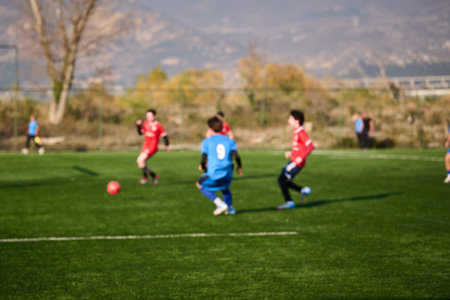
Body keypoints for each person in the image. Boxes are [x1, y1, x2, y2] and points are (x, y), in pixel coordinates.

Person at [196, 116, 242, 215]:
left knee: (199, 184)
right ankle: (230, 208)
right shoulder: (230, 141)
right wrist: (239, 167)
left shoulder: (207, 141)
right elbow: (236, 156)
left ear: (211, 129)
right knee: (224, 188)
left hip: (214, 172)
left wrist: (202, 165)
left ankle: (220, 204)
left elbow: (204, 156)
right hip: (227, 172)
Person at [277, 109, 315, 210]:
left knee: (281, 180)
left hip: (297, 163)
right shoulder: (297, 131)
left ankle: (290, 201)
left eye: (290, 118)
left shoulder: (301, 131)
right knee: (282, 180)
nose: (288, 120)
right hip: (293, 160)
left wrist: (301, 158)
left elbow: (310, 146)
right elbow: (300, 147)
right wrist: (292, 153)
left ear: (297, 120)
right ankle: (302, 190)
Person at [136, 109, 170, 185]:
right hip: (145, 146)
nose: (148, 117)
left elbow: (164, 135)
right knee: (141, 163)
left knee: (140, 160)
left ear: (154, 116)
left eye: (150, 116)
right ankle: (153, 176)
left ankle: (146, 178)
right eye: (147, 116)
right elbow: (140, 133)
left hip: (152, 147)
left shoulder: (158, 125)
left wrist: (167, 145)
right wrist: (138, 125)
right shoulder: (145, 123)